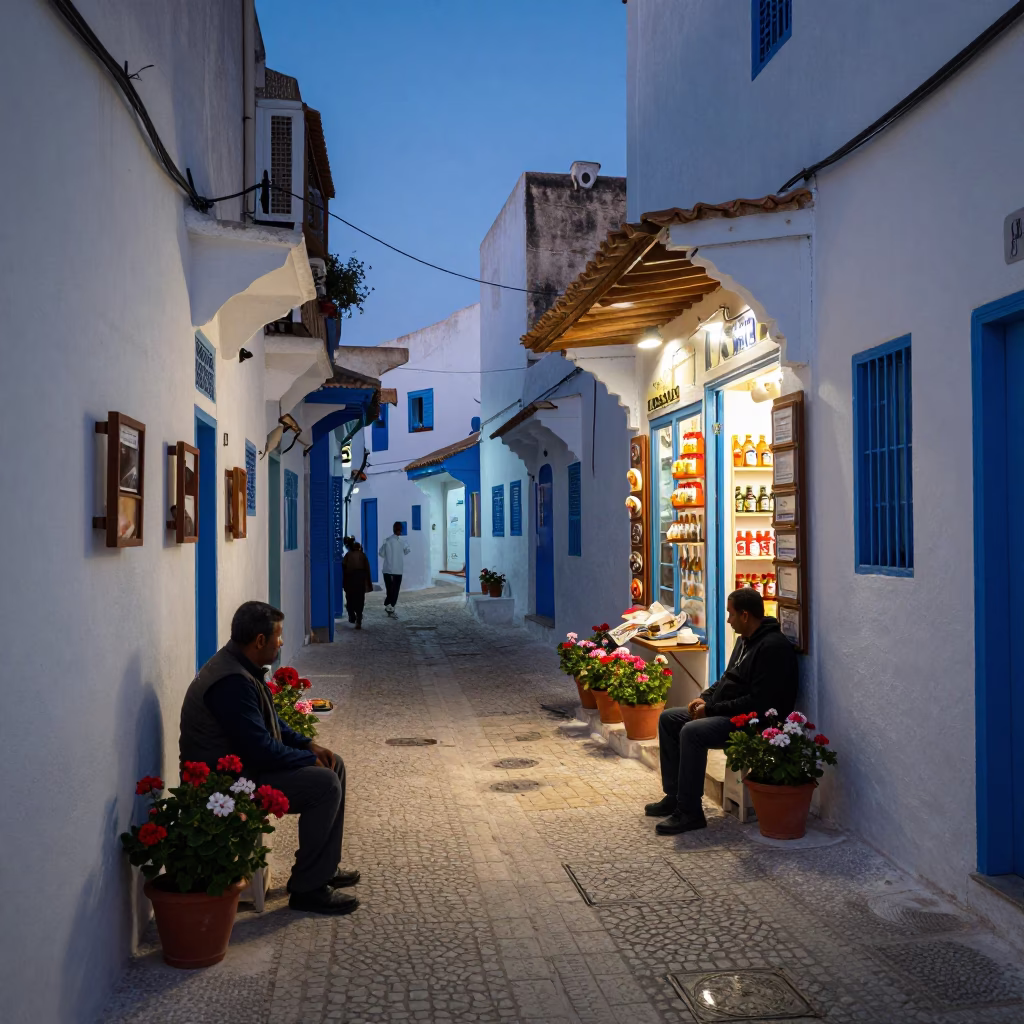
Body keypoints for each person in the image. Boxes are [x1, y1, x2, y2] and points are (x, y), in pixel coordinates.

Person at [179, 601, 360, 915]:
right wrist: (304, 761)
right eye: (278, 636)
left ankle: (323, 870)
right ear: (259, 641)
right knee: (324, 784)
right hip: (233, 783)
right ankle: (308, 890)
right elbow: (259, 749)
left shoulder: (242, 667)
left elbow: (272, 720)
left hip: (250, 767)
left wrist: (309, 746)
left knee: (334, 763)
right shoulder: (231, 683)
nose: (281, 642)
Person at [646, 588, 798, 835]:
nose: (728, 620)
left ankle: (690, 812)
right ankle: (673, 796)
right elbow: (728, 678)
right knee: (669, 719)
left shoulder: (772, 648)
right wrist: (703, 698)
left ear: (746, 616)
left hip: (753, 721)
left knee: (693, 732)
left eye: (731, 614)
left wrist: (712, 710)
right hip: (727, 712)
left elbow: (758, 702)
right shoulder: (744, 640)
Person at [379, 521, 410, 617]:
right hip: (398, 570)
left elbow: (381, 554)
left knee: (389, 589)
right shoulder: (403, 542)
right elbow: (407, 551)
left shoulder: (387, 540)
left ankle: (388, 605)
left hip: (387, 570)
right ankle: (390, 606)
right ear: (401, 530)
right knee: (395, 590)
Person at [341, 536, 373, 629]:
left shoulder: (348, 555)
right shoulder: (363, 556)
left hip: (350, 579)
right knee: (360, 599)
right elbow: (367, 569)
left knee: (350, 598)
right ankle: (359, 617)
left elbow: (343, 567)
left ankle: (352, 616)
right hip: (360, 580)